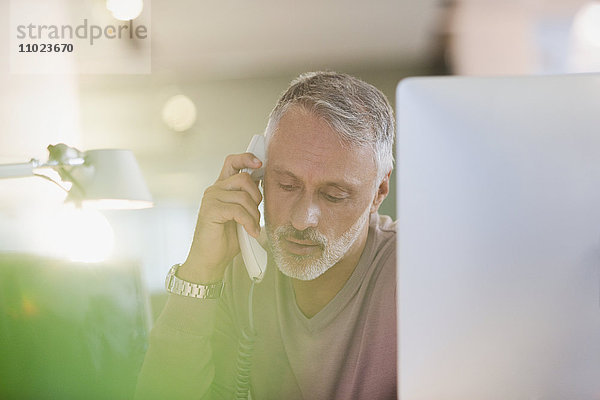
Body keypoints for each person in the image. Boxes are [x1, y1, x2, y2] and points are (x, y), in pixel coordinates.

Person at [135, 71, 397, 399]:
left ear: (379, 191)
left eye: (333, 195)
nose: (303, 220)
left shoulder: (414, 272)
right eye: (286, 185)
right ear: (257, 173)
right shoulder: (238, 270)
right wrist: (202, 269)